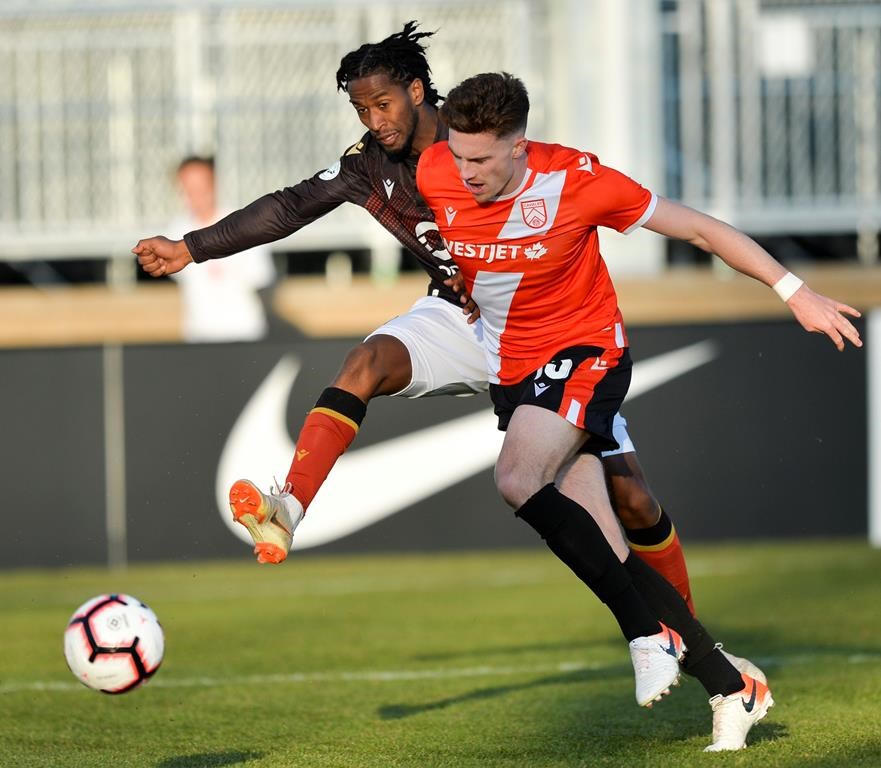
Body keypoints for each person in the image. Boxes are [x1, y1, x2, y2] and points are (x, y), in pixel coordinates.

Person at [134, 25, 765, 742]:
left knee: (623, 501)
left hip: (544, 333)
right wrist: (191, 246)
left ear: (415, 89)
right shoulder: (370, 166)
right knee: (365, 362)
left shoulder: (476, 142)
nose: (374, 122)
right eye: (360, 110)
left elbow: (554, 211)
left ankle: (706, 661)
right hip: (460, 324)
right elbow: (288, 206)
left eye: (381, 105)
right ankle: (291, 505)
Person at [414, 71, 862, 750]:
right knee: (606, 539)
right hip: (512, 368)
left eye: (481, 158)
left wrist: (792, 289)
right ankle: (729, 686)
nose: (465, 171)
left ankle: (643, 634)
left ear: (519, 146)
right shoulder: (433, 169)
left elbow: (700, 230)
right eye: (457, 153)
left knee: (515, 478)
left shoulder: (580, 181)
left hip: (584, 351)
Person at [169, 156, 276, 343]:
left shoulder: (243, 224)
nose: (195, 194)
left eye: (201, 185)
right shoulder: (176, 231)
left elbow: (261, 278)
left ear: (214, 183)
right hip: (199, 334)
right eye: (188, 187)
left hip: (243, 332)